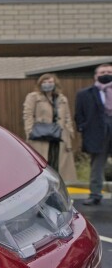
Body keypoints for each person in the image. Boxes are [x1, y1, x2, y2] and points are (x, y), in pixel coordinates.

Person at [23, 73, 77, 182]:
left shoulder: (62, 98)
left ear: (55, 83)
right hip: (41, 136)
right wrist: (29, 131)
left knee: (59, 165)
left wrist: (70, 133)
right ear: (40, 84)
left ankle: (59, 189)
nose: (47, 84)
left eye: (50, 82)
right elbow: (27, 115)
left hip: (59, 137)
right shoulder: (33, 97)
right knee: (43, 165)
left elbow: (67, 117)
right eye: (45, 82)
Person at [75, 64, 112, 205]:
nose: (106, 74)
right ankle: (95, 194)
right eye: (103, 72)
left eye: (109, 72)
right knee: (97, 166)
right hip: (97, 135)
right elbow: (79, 115)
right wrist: (83, 128)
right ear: (96, 75)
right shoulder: (84, 94)